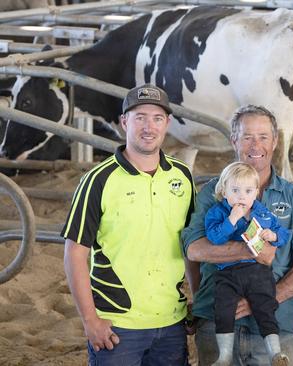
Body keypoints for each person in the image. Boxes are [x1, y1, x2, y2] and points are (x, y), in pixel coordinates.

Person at [182, 105, 293, 366]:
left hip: (276, 324)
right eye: (247, 136)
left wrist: (267, 299)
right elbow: (194, 249)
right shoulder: (211, 194)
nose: (255, 145)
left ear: (275, 142)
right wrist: (252, 250)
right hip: (217, 321)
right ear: (234, 140)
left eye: (263, 136)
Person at [62, 84, 194, 365]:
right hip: (116, 325)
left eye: (157, 118)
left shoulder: (182, 177)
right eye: (140, 117)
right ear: (124, 122)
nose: (149, 127)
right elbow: (75, 252)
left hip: (172, 321)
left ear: (167, 124)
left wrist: (198, 300)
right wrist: (90, 320)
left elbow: (190, 245)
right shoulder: (98, 180)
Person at [204, 161, 290, 365]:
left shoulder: (263, 213)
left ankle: (275, 353)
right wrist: (231, 221)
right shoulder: (218, 213)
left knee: (265, 306)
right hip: (228, 270)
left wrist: (274, 235)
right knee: (223, 309)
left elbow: (284, 233)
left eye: (248, 190)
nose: (242, 196)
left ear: (256, 193)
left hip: (257, 271)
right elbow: (214, 238)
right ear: (224, 191)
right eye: (235, 190)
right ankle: (224, 356)